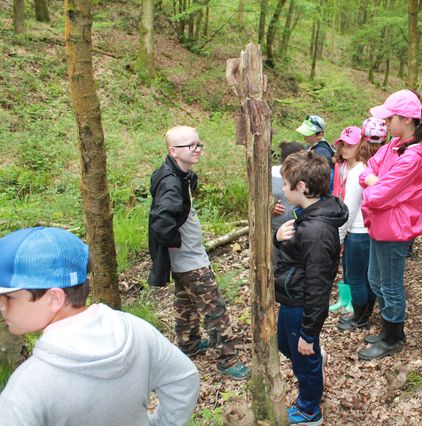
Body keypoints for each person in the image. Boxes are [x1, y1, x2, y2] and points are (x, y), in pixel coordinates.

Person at [0, 227, 200, 425]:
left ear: (54, 298)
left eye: (8, 297)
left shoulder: (25, 389)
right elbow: (184, 379)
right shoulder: (136, 331)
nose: (1, 306)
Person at [148, 125, 249, 380]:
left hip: (186, 258)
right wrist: (174, 241)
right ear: (173, 151)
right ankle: (227, 359)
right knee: (215, 309)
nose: (197, 149)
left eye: (198, 144)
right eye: (190, 146)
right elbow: (161, 222)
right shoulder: (171, 182)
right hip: (190, 260)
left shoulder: (178, 174)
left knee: (185, 300)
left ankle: (189, 343)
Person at [357, 90, 422, 360]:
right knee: (374, 279)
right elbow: (369, 168)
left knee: (390, 284)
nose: (386, 123)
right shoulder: (394, 145)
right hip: (380, 224)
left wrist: (374, 183)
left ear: (406, 119)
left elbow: (377, 195)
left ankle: (392, 337)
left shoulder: (413, 156)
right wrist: (373, 180)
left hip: (395, 229)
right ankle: (391, 328)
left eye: (390, 118)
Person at [273, 151, 348, 425]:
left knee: (303, 360)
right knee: (285, 345)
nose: (283, 189)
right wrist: (278, 237)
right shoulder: (307, 214)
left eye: (285, 184)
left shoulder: (316, 231)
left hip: (301, 303)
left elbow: (318, 286)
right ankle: (314, 353)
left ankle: (309, 409)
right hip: (291, 297)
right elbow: (295, 254)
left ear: (301, 186)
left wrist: (308, 332)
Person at [332, 120, 387, 332]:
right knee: (365, 277)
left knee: (356, 278)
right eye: (342, 144)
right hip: (365, 230)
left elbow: (349, 209)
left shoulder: (358, 172)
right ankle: (363, 314)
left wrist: (339, 237)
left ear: (361, 145)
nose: (344, 148)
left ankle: (360, 317)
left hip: (357, 231)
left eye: (350, 145)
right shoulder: (359, 168)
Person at [272, 141, 306, 234]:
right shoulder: (271, 174)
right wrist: (270, 207)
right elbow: (260, 198)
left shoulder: (306, 174)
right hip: (275, 228)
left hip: (300, 228)